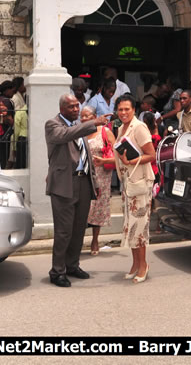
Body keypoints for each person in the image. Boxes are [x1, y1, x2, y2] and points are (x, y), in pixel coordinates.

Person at [45, 94, 110, 288]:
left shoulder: (78, 128)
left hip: (83, 183)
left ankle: (72, 265)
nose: (76, 110)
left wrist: (95, 183)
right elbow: (65, 135)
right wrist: (94, 123)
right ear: (62, 107)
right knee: (64, 231)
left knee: (79, 229)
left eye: (77, 106)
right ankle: (57, 271)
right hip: (64, 185)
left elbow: (87, 157)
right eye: (72, 107)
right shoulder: (53, 124)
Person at [109, 94, 156, 283]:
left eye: (127, 109)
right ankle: (135, 264)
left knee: (140, 227)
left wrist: (132, 161)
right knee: (131, 226)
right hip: (128, 183)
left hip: (141, 182)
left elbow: (151, 155)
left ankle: (143, 265)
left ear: (134, 110)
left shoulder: (139, 127)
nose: (123, 113)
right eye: (120, 109)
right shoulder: (121, 129)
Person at [82, 106, 115, 256]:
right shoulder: (80, 132)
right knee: (84, 208)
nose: (83, 119)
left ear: (95, 116)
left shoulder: (105, 132)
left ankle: (95, 240)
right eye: (81, 116)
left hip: (101, 176)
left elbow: (117, 154)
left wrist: (104, 160)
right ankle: (79, 241)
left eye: (87, 116)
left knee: (97, 208)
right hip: (84, 175)